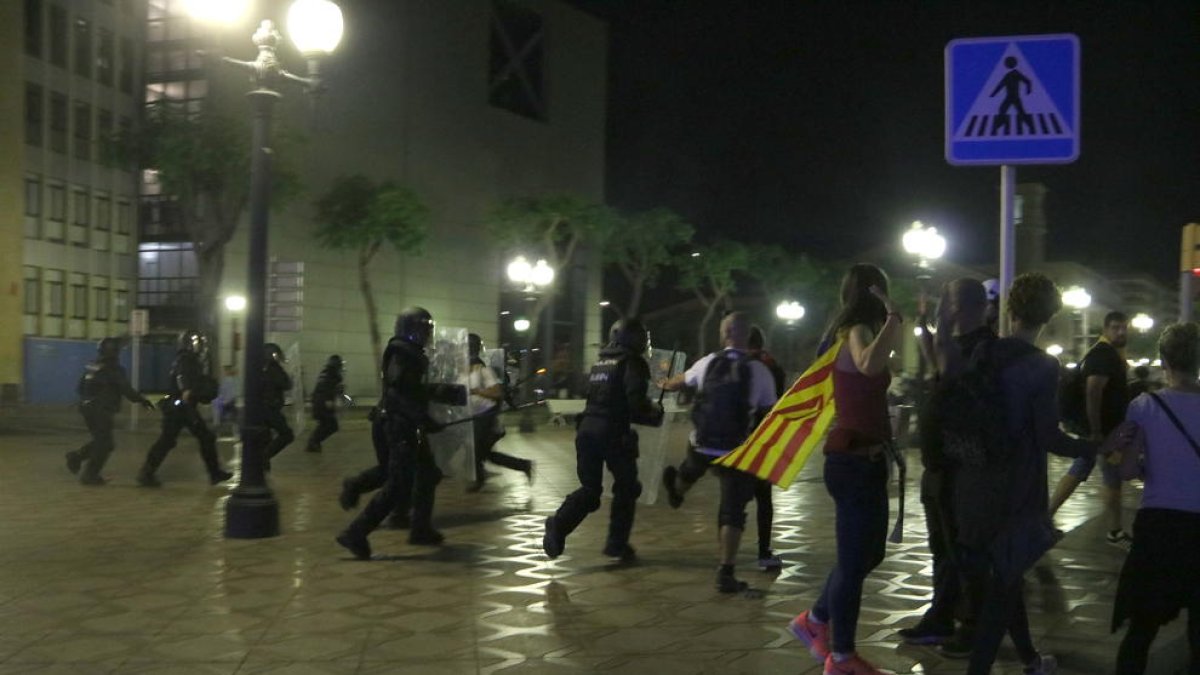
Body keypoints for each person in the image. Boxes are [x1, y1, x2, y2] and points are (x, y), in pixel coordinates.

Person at [955, 273, 1093, 675]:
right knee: (1003, 585)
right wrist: (1092, 446)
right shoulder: (1042, 366)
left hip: (974, 480)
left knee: (1007, 579)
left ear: (1010, 309)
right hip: (1017, 488)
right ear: (1049, 317)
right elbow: (1049, 436)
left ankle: (1031, 660)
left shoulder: (981, 351)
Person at [786, 263, 903, 675]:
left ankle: (815, 619)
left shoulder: (842, 335)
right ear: (875, 293)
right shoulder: (855, 332)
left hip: (859, 461)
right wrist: (895, 316)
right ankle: (841, 657)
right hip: (854, 463)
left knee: (867, 554)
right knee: (855, 562)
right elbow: (870, 365)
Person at [897, 278, 994, 656]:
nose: (945, 310)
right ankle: (941, 615)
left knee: (965, 549)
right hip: (940, 464)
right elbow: (939, 368)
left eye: (949, 304)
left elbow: (950, 366)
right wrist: (925, 328)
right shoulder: (955, 343)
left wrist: (938, 325)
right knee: (943, 547)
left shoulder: (982, 346)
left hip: (964, 465)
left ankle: (973, 627)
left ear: (965, 307)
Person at [661, 313, 780, 591]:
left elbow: (681, 381)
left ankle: (678, 488)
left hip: (702, 444)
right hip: (736, 450)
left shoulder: (708, 362)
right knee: (732, 511)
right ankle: (725, 572)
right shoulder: (758, 369)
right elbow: (769, 409)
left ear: (723, 333)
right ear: (747, 336)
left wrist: (665, 383)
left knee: (692, 465)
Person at [1109, 322, 1200, 675]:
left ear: (1164, 360)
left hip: (1159, 526)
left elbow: (1127, 470)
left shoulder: (1144, 406)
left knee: (1142, 628)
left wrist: (1149, 466)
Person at [336, 307, 462, 558]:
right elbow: (397, 394)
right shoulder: (402, 352)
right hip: (397, 424)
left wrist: (446, 393)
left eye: (428, 329)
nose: (426, 333)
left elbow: (414, 389)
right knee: (399, 483)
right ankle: (356, 532)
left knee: (426, 474)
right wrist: (424, 419)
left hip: (403, 422)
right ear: (409, 329)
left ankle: (420, 528)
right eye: (422, 328)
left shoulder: (411, 353)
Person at [542, 318, 663, 563]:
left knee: (590, 489)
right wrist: (654, 413)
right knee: (628, 488)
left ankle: (559, 523)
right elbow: (635, 404)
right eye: (642, 337)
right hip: (614, 434)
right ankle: (616, 544)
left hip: (587, 430)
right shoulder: (633, 363)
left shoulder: (602, 362)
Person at [1049, 311, 1132, 549]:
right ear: (1105, 330)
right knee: (1111, 478)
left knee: (1083, 469)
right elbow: (1093, 391)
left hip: (1104, 430)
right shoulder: (1103, 355)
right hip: (1103, 431)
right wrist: (1096, 431)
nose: (1121, 332)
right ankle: (1115, 531)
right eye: (1115, 327)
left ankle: (1046, 518)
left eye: (1124, 327)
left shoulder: (1107, 353)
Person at [137, 330, 233, 488]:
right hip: (182, 407)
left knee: (169, 440)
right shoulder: (186, 359)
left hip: (181, 407)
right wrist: (188, 391)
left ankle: (147, 472)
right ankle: (214, 473)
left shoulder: (189, 359)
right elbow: (185, 382)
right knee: (201, 437)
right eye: (197, 343)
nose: (200, 347)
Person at [66, 338, 155, 485]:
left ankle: (76, 457)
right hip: (101, 410)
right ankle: (89, 474)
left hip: (87, 408)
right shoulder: (114, 369)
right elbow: (126, 389)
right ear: (116, 352)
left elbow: (80, 388)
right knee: (105, 444)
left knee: (102, 441)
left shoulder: (92, 366)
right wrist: (143, 400)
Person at [466, 334, 532, 491]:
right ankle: (523, 465)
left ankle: (479, 481)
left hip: (486, 416)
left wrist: (477, 391)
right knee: (483, 453)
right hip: (473, 416)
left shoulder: (483, 369)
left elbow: (497, 393)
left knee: (477, 450)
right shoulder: (465, 369)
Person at [262, 343, 295, 471]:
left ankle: (264, 469)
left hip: (262, 408)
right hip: (271, 408)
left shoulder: (260, 368)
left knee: (265, 439)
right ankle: (263, 457)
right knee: (287, 434)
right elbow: (286, 384)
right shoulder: (274, 369)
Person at [307, 354, 345, 453]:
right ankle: (313, 441)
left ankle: (314, 442)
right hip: (323, 402)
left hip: (317, 401)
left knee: (325, 424)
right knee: (332, 425)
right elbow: (328, 388)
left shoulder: (325, 372)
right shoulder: (333, 374)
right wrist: (328, 400)